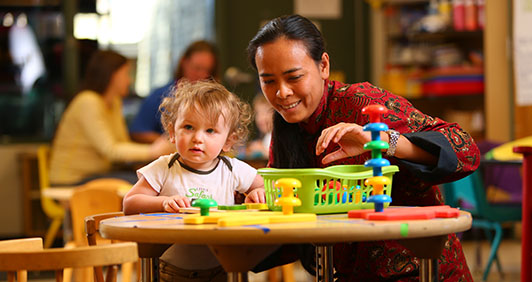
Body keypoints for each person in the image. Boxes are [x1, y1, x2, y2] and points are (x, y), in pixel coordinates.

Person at [246, 14, 480, 281]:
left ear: (323, 65)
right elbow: (292, 221)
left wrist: (383, 142)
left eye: (294, 77)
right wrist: (255, 196)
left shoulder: (363, 104)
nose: (282, 93)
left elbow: (466, 150)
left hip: (422, 270)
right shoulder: (286, 126)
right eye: (269, 81)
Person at [123, 79, 266, 282]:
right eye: (189, 127)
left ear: (228, 140)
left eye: (210, 131)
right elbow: (130, 203)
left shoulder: (232, 169)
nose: (198, 138)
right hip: (171, 271)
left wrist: (256, 193)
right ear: (172, 132)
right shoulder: (164, 167)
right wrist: (163, 202)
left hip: (222, 268)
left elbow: (263, 187)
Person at [49, 50, 173, 185]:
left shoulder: (113, 103)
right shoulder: (88, 101)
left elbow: (121, 143)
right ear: (112, 75)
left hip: (97, 175)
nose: (129, 80)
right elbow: (111, 150)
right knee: (145, 185)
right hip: (70, 180)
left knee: (152, 180)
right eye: (126, 73)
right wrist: (153, 151)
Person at [130, 40, 219, 143]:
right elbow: (138, 132)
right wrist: (170, 143)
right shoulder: (160, 96)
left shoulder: (214, 100)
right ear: (183, 63)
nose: (201, 75)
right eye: (197, 68)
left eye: (207, 70)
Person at [246, 94, 274, 159]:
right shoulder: (268, 136)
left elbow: (278, 158)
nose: (260, 118)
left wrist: (261, 149)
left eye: (264, 112)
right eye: (257, 113)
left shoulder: (277, 136)